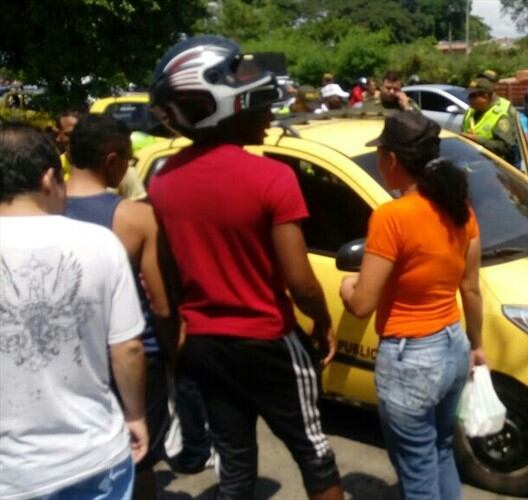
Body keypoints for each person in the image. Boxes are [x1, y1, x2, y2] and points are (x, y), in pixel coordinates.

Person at [148, 35, 343, 499]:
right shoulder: (273, 177)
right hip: (267, 340)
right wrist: (322, 319)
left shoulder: (164, 181)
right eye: (260, 106)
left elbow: (168, 270)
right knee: (314, 452)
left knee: (234, 460)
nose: (270, 115)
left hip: (204, 344)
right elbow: (300, 281)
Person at [339, 112, 485, 500]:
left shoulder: (392, 216)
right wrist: (478, 345)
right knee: (439, 452)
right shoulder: (460, 209)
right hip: (453, 344)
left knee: (417, 471)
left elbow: (362, 304)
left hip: (411, 359)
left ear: (392, 160)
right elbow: (471, 289)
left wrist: (346, 285)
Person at [0, 123, 148, 500]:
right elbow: (127, 349)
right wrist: (135, 415)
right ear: (49, 178)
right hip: (92, 457)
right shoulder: (100, 243)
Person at [64, 115, 176, 500]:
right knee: (139, 457)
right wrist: (174, 354)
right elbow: (160, 305)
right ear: (111, 160)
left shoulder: (43, 206)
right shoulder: (135, 216)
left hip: (70, 353)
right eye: (127, 160)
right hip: (132, 351)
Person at [461, 77, 517, 165]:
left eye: (472, 96)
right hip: (471, 164)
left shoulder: (501, 114)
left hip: (494, 168)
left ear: (485, 96)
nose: (469, 99)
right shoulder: (470, 112)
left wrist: (477, 140)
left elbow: (505, 147)